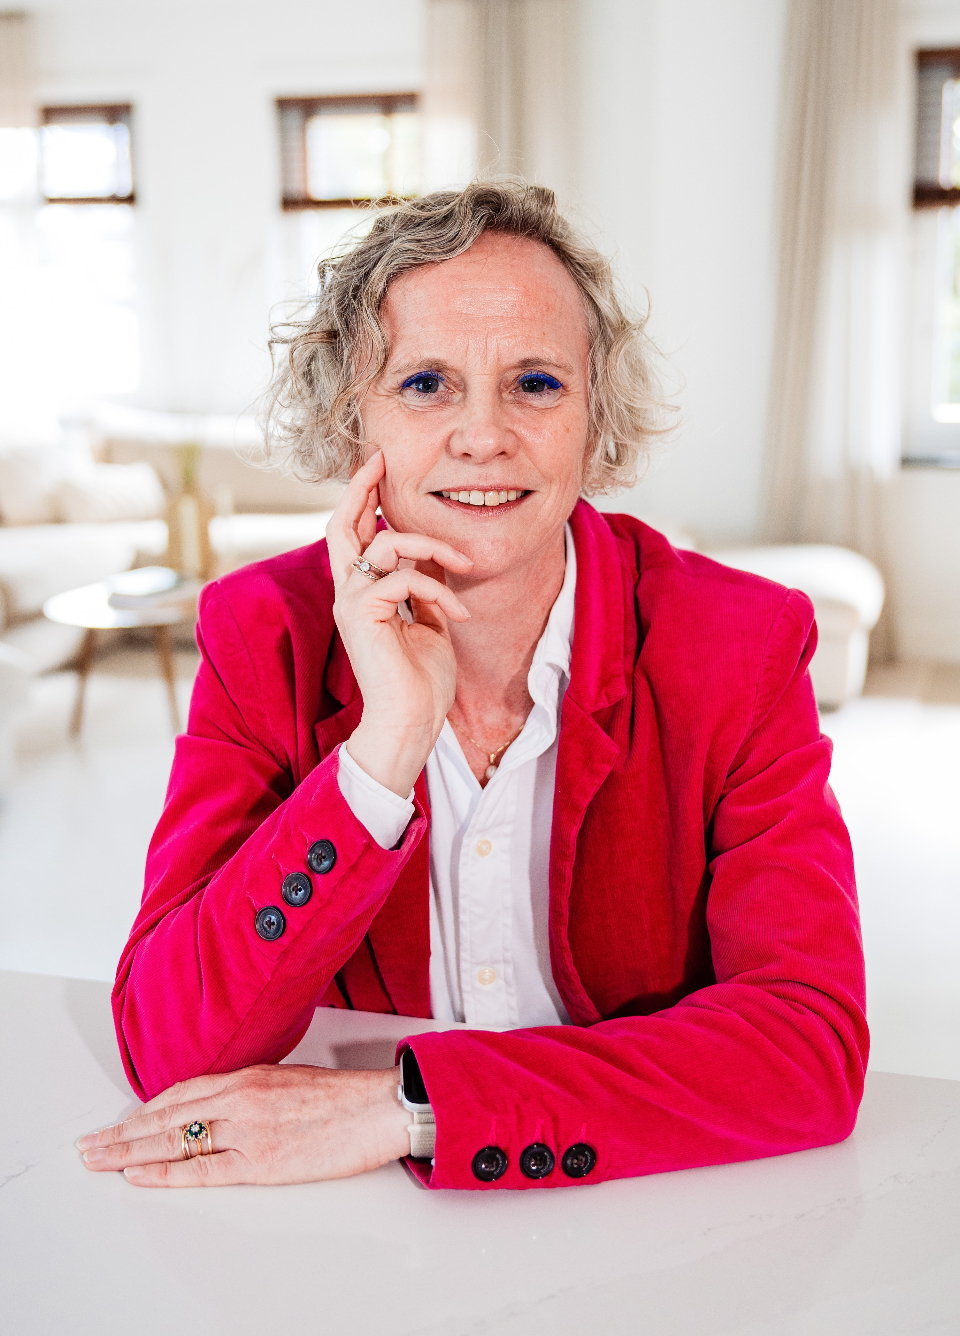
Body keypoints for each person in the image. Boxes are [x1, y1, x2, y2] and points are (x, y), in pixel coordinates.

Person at [78, 181, 868, 1192]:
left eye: (536, 383)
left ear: (594, 413)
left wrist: (408, 1107)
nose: (484, 435)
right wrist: (381, 752)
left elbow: (806, 1049)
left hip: (652, 1210)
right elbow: (171, 1046)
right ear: (350, 415)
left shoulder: (742, 643)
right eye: (425, 384)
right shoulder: (262, 630)